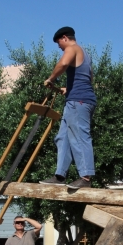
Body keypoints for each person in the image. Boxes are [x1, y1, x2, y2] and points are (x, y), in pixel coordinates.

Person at [41, 26, 97, 190]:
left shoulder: (72, 48)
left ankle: (85, 178)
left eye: (59, 43)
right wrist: (67, 89)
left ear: (64, 37)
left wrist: (51, 79)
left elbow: (63, 63)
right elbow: (88, 77)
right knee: (63, 137)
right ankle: (60, 175)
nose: (59, 46)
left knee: (79, 137)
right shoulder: (85, 53)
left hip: (78, 102)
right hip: (77, 99)